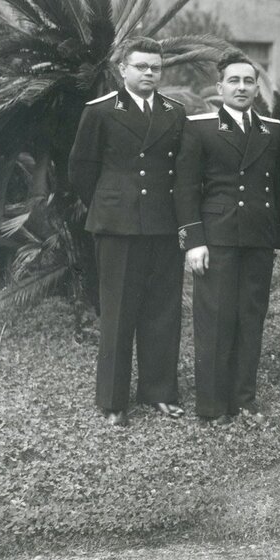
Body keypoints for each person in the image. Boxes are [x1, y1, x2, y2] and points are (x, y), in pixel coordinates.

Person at [175, 52, 280, 425]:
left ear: (256, 87)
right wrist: (194, 240)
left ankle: (244, 399)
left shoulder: (271, 130)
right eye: (234, 81)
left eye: (248, 81)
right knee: (214, 319)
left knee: (251, 317)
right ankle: (212, 406)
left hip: (259, 237)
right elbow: (185, 189)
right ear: (220, 87)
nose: (242, 87)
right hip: (217, 238)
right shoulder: (201, 128)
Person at [68, 38, 185, 427]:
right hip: (117, 225)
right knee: (118, 312)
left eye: (155, 67)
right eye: (141, 66)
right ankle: (113, 400)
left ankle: (159, 391)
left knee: (163, 311)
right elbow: (82, 169)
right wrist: (111, 203)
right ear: (123, 69)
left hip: (162, 224)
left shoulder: (175, 111)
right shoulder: (101, 111)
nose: (149, 73)